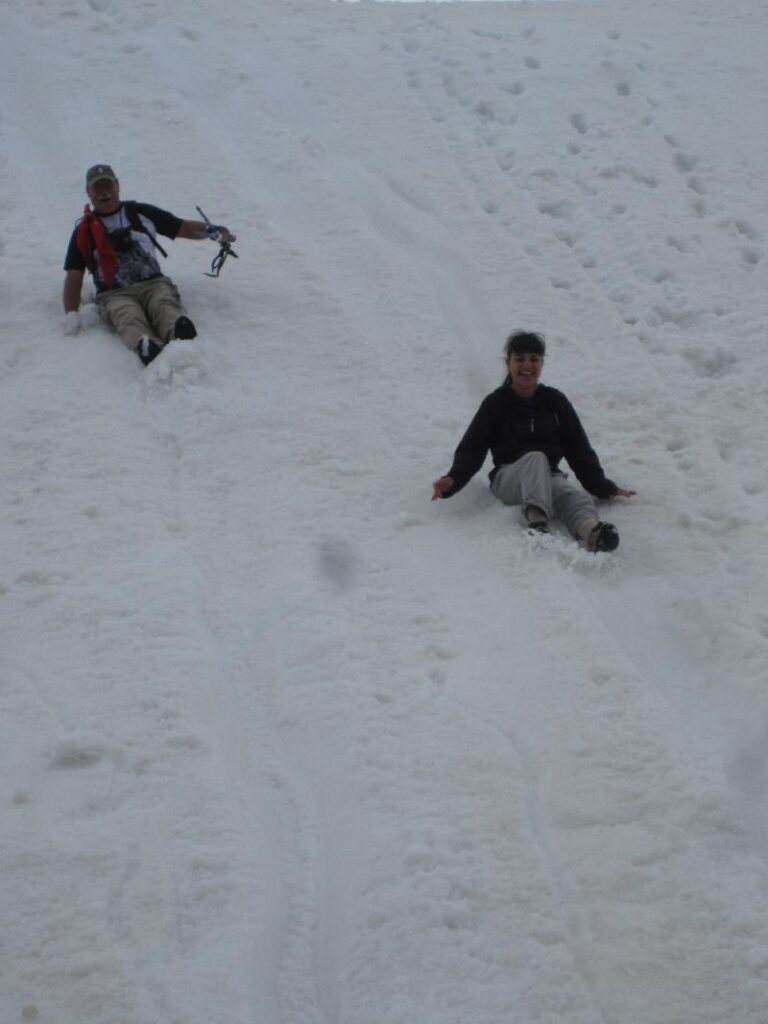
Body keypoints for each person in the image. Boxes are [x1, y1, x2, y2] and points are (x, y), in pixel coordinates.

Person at [432, 330, 635, 552]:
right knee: (536, 458)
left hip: (546, 475)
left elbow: (578, 449)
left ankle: (591, 532)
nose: (527, 365)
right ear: (508, 363)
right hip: (508, 479)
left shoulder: (555, 402)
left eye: (534, 359)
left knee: (571, 494)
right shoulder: (495, 403)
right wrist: (453, 479)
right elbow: (473, 447)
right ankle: (537, 522)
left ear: (541, 364)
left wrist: (604, 487)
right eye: (519, 359)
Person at [63, 164, 234, 365]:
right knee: (126, 316)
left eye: (108, 185)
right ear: (88, 193)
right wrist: (71, 315)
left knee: (164, 304)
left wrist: (212, 230)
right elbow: (74, 277)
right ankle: (145, 345)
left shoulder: (141, 212)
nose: (104, 192)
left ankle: (178, 330)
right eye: (97, 188)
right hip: (114, 294)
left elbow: (183, 228)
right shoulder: (84, 231)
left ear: (117, 185)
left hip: (154, 284)